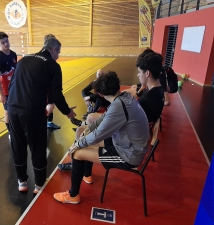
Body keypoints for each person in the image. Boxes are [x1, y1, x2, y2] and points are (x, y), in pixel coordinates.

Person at [58, 50, 165, 172]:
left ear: (147, 73)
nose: (137, 75)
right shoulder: (146, 94)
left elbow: (101, 132)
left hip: (128, 150)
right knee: (83, 131)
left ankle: (78, 171)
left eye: (139, 72)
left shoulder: (138, 100)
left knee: (81, 147)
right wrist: (87, 130)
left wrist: (78, 144)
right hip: (127, 140)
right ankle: (80, 165)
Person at [53, 71, 150, 204]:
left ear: (100, 94)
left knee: (77, 153)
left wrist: (78, 144)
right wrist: (87, 129)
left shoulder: (118, 106)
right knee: (83, 135)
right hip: (127, 143)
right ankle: (86, 175)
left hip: (129, 154)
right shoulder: (124, 97)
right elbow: (103, 118)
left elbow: (98, 136)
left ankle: (73, 195)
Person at [7, 37, 76, 194]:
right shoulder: (53, 66)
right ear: (53, 50)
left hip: (13, 109)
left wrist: (9, 107)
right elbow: (56, 93)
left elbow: (13, 84)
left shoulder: (24, 60)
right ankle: (39, 185)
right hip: (32, 112)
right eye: (58, 52)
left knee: (18, 147)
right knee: (37, 146)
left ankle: (22, 182)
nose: (58, 56)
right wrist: (68, 112)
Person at [0, 32, 17, 139]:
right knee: (7, 112)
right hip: (6, 91)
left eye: (7, 41)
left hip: (15, 89)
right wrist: (1, 95)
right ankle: (10, 133)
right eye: (3, 43)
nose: (6, 44)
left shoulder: (13, 54)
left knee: (16, 111)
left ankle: (17, 130)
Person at [43, 34, 61, 130]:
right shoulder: (48, 63)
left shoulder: (52, 64)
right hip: (44, 93)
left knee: (50, 105)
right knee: (49, 107)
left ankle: (49, 122)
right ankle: (44, 122)